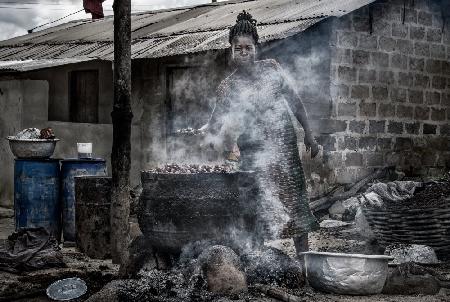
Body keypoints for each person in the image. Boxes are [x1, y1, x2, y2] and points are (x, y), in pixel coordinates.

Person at [204, 11, 320, 256]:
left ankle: (304, 263)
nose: (244, 53)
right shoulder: (228, 87)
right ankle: (259, 261)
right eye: (239, 49)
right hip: (255, 156)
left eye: (248, 48)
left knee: (296, 205)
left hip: (285, 151)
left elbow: (295, 102)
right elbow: (214, 122)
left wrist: (309, 133)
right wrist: (205, 137)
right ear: (231, 51)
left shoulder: (272, 69)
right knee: (256, 207)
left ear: (257, 48)